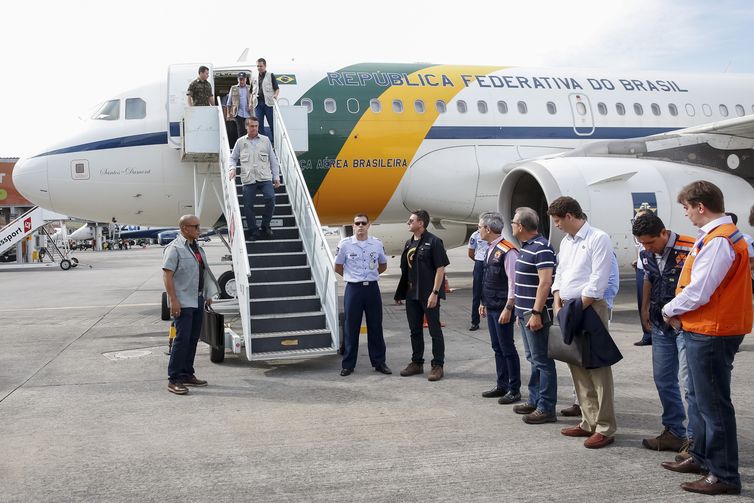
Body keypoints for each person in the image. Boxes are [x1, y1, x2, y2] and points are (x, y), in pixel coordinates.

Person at [660, 181, 752, 496]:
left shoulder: (719, 240)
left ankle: (724, 474)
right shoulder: (717, 237)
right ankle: (701, 457)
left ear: (701, 206)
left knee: (714, 405)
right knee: (701, 400)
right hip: (706, 327)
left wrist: (668, 309)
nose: (685, 214)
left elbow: (700, 290)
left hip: (711, 330)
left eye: (686, 208)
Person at [549, 196, 618, 449]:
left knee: (597, 367)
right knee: (576, 363)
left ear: (569, 216)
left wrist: (574, 308)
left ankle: (606, 427)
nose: (556, 225)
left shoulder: (598, 238)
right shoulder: (566, 242)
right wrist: (557, 302)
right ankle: (588, 421)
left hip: (588, 308)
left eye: (557, 220)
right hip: (567, 307)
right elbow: (561, 274)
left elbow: (598, 280)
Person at [632, 213, 694, 453]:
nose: (647, 248)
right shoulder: (646, 251)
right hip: (660, 323)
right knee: (663, 379)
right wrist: (644, 309)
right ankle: (674, 431)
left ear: (663, 233)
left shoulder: (690, 247)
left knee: (690, 384)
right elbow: (648, 277)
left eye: (650, 242)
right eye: (642, 244)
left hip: (685, 324)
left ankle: (694, 439)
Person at [510, 207, 558, 424]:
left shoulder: (542, 248)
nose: (511, 225)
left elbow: (545, 282)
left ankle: (546, 407)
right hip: (524, 312)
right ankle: (535, 399)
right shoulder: (526, 246)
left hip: (535, 314)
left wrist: (537, 312)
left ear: (520, 226)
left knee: (543, 361)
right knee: (533, 358)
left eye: (513, 222)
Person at [162, 215, 219, 395]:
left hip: (198, 299)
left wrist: (208, 294)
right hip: (183, 302)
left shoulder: (197, 249)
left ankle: (187, 373)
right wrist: (173, 300)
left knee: (193, 339)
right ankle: (174, 379)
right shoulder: (175, 248)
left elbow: (203, 273)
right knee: (181, 340)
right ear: (185, 228)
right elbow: (167, 276)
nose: (199, 229)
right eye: (195, 226)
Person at [394, 210, 450, 382]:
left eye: (411, 220)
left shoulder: (434, 242)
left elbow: (440, 268)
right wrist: (401, 292)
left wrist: (435, 292)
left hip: (428, 294)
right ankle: (417, 363)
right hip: (412, 294)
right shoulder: (408, 243)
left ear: (421, 223)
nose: (408, 223)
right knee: (415, 330)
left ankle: (437, 365)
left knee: (434, 331)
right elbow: (407, 270)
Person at [335, 214, 391, 376]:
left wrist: (370, 275)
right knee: (351, 327)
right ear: (353, 226)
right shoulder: (345, 244)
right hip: (354, 289)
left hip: (372, 289)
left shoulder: (376, 244)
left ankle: (379, 362)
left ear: (368, 225)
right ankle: (348, 364)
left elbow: (383, 264)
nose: (360, 226)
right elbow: (338, 266)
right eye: (357, 223)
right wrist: (351, 276)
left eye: (363, 223)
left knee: (375, 326)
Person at [476, 212, 520, 404]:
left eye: (479, 227)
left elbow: (513, 283)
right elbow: (487, 279)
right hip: (492, 305)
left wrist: (509, 308)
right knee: (497, 347)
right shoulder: (489, 249)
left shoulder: (508, 251)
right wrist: (483, 302)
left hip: (503, 307)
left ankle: (514, 388)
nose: (478, 230)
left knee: (507, 347)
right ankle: (501, 384)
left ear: (488, 229)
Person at [230, 117, 280, 240]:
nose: (254, 129)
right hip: (248, 178)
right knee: (248, 206)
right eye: (252, 126)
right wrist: (232, 168)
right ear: (246, 127)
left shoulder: (265, 140)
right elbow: (233, 158)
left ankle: (265, 225)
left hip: (264, 177)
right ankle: (253, 230)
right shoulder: (241, 142)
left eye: (256, 126)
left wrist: (276, 177)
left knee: (271, 198)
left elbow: (273, 160)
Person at [633, 207, 654, 346]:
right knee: (642, 302)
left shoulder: (653, 233)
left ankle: (654, 333)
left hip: (650, 271)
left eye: (639, 218)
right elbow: (639, 249)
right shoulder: (637, 233)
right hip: (641, 270)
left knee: (652, 303)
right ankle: (647, 334)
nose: (636, 221)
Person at [252, 58, 280, 144]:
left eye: (261, 66)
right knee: (258, 124)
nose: (259, 68)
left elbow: (277, 89)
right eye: (257, 66)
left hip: (268, 103)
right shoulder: (254, 77)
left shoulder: (270, 75)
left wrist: (275, 95)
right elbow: (251, 92)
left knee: (271, 123)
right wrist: (250, 103)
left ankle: (274, 142)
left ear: (265, 66)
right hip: (258, 103)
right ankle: (262, 142)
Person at [467, 228, 489, 331]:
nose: (480, 228)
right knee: (476, 294)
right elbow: (471, 252)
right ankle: (475, 322)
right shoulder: (475, 235)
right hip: (480, 262)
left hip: (492, 261)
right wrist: (478, 261)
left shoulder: (494, 233)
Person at [226, 72, 253, 140]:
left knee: (249, 132)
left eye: (243, 79)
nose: (242, 81)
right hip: (238, 113)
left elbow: (254, 100)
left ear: (246, 79)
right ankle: (241, 148)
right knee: (240, 132)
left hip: (248, 114)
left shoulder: (250, 88)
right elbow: (229, 102)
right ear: (238, 79)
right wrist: (228, 114)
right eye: (240, 79)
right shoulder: (233, 88)